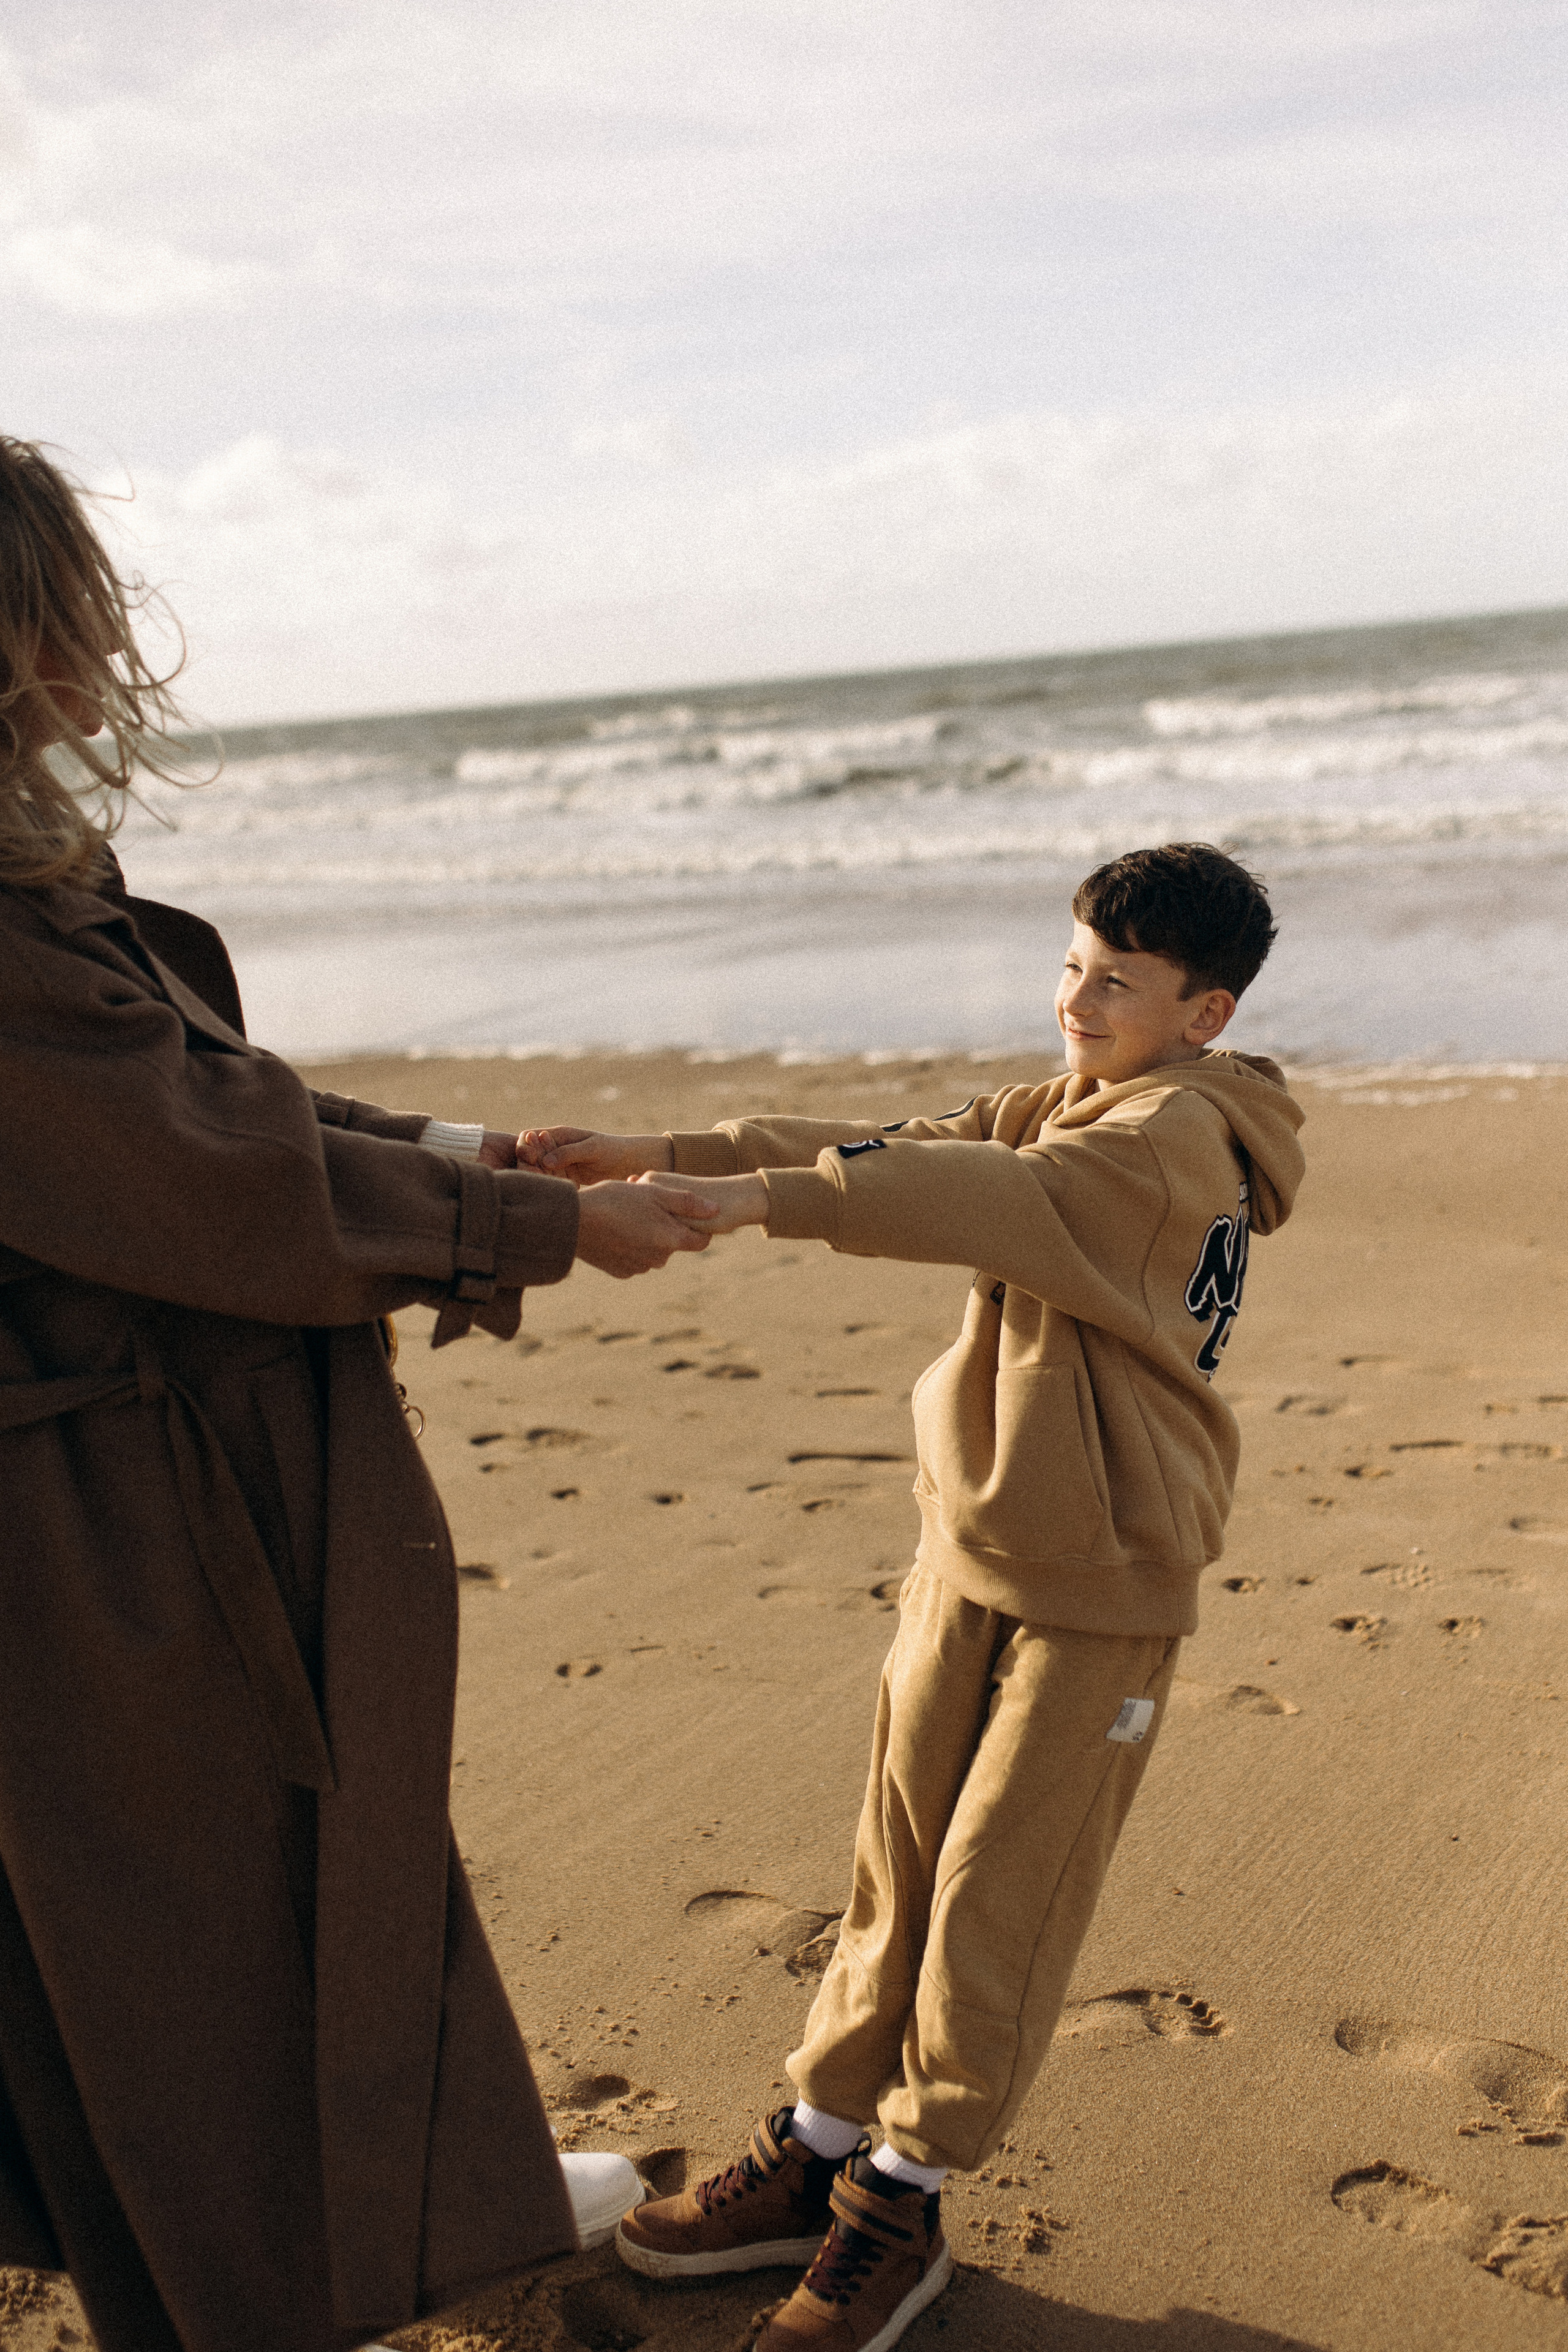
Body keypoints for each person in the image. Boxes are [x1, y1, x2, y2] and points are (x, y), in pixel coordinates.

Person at [0, 436, 722, 2352]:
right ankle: (298, 2270)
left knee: (265, 1865)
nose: (102, 644)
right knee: (204, 1910)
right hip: (100, 1523)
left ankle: (435, 2188)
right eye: (74, 604)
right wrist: (538, 1230)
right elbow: (205, 1174)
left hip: (131, 1477)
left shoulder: (21, 869)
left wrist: (490, 1155)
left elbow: (209, 1100)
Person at [520, 842, 1306, 2352]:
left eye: (1116, 986)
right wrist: (649, 1145)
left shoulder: (1173, 1138)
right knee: (895, 1858)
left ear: (1202, 1014)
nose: (1075, 1000)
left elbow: (968, 1191)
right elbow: (911, 1131)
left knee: (998, 1886)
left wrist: (748, 1198)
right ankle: (817, 2147)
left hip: (1104, 1574)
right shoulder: (1072, 1098)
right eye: (1070, 967)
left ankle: (904, 2194)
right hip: (973, 1543)